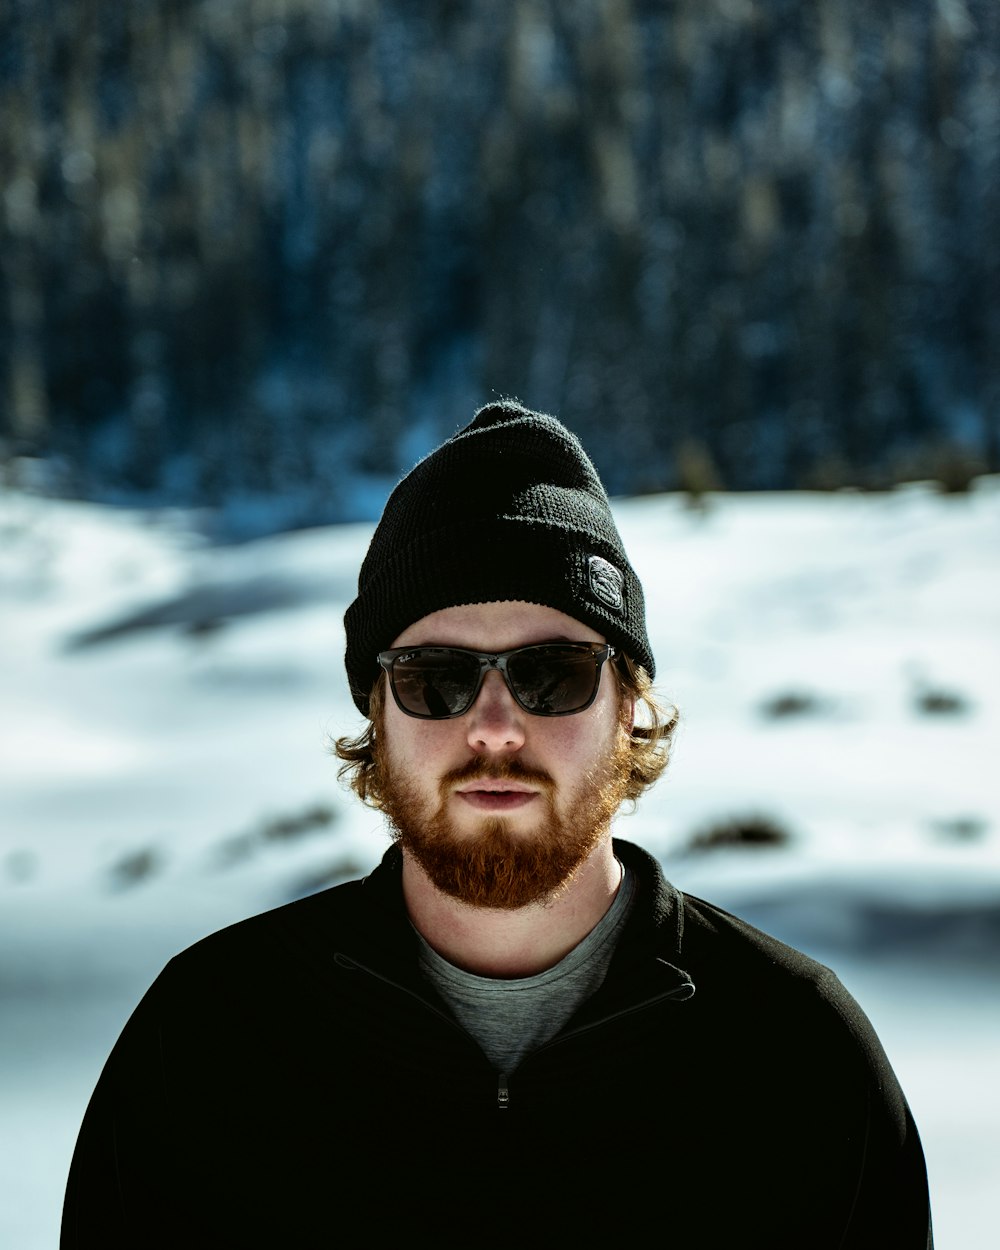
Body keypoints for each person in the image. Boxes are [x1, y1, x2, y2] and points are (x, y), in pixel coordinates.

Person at [62, 401, 932, 1247]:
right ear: (378, 713)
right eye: (435, 678)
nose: (493, 725)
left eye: (551, 673)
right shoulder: (209, 1045)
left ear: (629, 703)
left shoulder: (798, 1058)